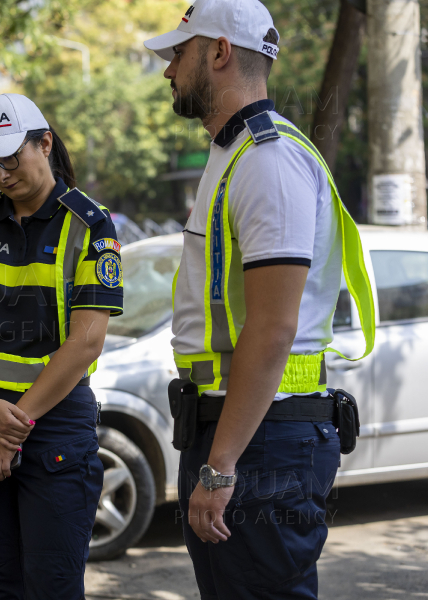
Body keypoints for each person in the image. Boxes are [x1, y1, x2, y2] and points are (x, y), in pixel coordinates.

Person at [143, 1, 375, 598]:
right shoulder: (232, 154)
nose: (169, 69)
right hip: (243, 429)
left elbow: (272, 328)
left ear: (219, 52)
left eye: (179, 52)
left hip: (260, 440)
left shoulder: (268, 161)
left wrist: (220, 466)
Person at [0, 93, 125, 600]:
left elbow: (86, 342)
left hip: (54, 424)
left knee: (53, 586)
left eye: (10, 158)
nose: (1, 174)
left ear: (45, 143)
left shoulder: (91, 225)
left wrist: (11, 429)